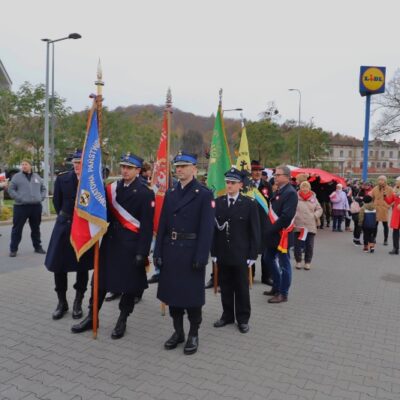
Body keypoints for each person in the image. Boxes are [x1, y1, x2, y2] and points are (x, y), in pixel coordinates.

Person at [71, 152, 154, 339]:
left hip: (131, 246)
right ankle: (93, 317)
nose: (125, 171)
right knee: (99, 282)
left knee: (128, 285)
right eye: (123, 167)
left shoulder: (145, 193)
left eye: (129, 168)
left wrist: (143, 251)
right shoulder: (111, 189)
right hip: (110, 243)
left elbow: (147, 227)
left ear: (138, 171)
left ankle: (122, 319)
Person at [154, 151, 215, 355]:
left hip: (190, 253)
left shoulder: (204, 194)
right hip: (171, 251)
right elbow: (163, 223)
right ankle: (178, 332)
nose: (178, 169)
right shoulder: (171, 193)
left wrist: (201, 256)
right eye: (177, 166)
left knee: (192, 299)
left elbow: (207, 228)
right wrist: (158, 251)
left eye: (183, 166)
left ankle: (193, 334)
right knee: (172, 297)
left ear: (194, 169)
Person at [45, 150, 93, 320]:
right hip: (64, 228)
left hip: (82, 230)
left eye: (80, 163)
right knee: (59, 266)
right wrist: (67, 220)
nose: (76, 166)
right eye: (74, 163)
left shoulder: (92, 182)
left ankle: (78, 302)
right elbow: (57, 203)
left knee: (82, 267)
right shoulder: (62, 179)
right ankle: (61, 302)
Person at [211, 168, 260, 333]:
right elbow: (214, 231)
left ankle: (243, 318)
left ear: (240, 184)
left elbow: (255, 231)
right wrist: (214, 252)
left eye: (233, 183)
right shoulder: (218, 202)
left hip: (241, 253)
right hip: (223, 253)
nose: (229, 185)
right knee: (225, 286)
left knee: (241, 287)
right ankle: (227, 315)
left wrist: (253, 254)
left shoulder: (249, 204)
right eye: (227, 183)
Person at [263, 165, 298, 303]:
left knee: (284, 264)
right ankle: (276, 286)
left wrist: (270, 229)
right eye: (275, 175)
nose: (275, 177)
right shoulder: (279, 191)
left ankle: (283, 293)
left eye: (278, 175)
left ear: (287, 177)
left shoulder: (290, 192)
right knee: (267, 258)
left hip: (282, 234)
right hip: (274, 234)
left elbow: (286, 217)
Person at [8, 159, 46, 257]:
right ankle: (13, 249)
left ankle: (37, 247)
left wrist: (40, 198)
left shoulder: (37, 176)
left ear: (30, 166)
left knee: (36, 228)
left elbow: (43, 188)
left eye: (26, 164)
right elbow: (11, 189)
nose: (24, 166)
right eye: (22, 164)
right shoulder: (16, 177)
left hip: (36, 207)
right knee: (17, 229)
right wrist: (19, 198)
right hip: (21, 207)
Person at [250, 160, 272, 285]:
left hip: (263, 222)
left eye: (259, 170)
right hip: (250, 221)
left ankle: (266, 277)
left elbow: (270, 202)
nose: (258, 173)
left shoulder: (266, 185)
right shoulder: (246, 185)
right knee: (250, 249)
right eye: (255, 170)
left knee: (265, 251)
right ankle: (250, 275)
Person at [293, 181, 322, 270]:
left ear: (309, 189)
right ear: (300, 188)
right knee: (297, 245)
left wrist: (315, 215)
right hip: (298, 225)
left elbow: (319, 209)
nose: (305, 189)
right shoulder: (295, 198)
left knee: (309, 245)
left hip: (310, 225)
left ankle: (307, 262)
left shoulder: (314, 199)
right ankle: (298, 261)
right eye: (303, 187)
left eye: (306, 188)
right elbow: (291, 208)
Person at [371, 175, 393, 246]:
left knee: (385, 225)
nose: (380, 181)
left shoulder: (389, 189)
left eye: (382, 180)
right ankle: (374, 238)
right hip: (376, 208)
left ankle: (385, 239)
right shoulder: (374, 189)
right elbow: (372, 198)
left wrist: (389, 205)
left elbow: (393, 199)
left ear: (385, 181)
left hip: (384, 209)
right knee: (375, 224)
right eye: (379, 180)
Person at [384, 177, 400, 255]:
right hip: (396, 214)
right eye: (396, 181)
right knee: (395, 232)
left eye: (397, 181)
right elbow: (390, 201)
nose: (396, 182)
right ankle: (395, 248)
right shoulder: (395, 191)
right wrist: (385, 196)